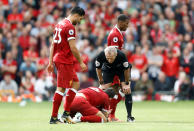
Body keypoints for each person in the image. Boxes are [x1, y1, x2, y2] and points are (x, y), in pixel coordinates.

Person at [46, 6, 87, 124]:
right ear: (76, 15)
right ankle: (54, 117)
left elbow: (53, 44)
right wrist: (81, 62)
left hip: (61, 59)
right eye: (80, 18)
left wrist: (50, 62)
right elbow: (73, 47)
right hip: (64, 60)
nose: (80, 21)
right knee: (61, 88)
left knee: (75, 83)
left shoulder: (59, 24)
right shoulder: (69, 27)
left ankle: (66, 113)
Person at [95, 46, 135, 122]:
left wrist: (126, 83)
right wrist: (101, 80)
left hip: (121, 70)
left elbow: (126, 69)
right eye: (107, 58)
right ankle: (97, 113)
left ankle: (129, 116)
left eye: (111, 58)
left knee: (127, 90)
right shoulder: (101, 55)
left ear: (116, 55)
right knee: (101, 90)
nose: (109, 60)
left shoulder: (121, 55)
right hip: (108, 70)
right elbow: (98, 68)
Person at [107, 14, 129, 121]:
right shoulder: (115, 35)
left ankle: (111, 114)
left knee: (119, 90)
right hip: (114, 68)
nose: (127, 25)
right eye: (126, 23)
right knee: (115, 90)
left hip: (116, 67)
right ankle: (110, 114)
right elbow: (113, 54)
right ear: (120, 22)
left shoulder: (118, 33)